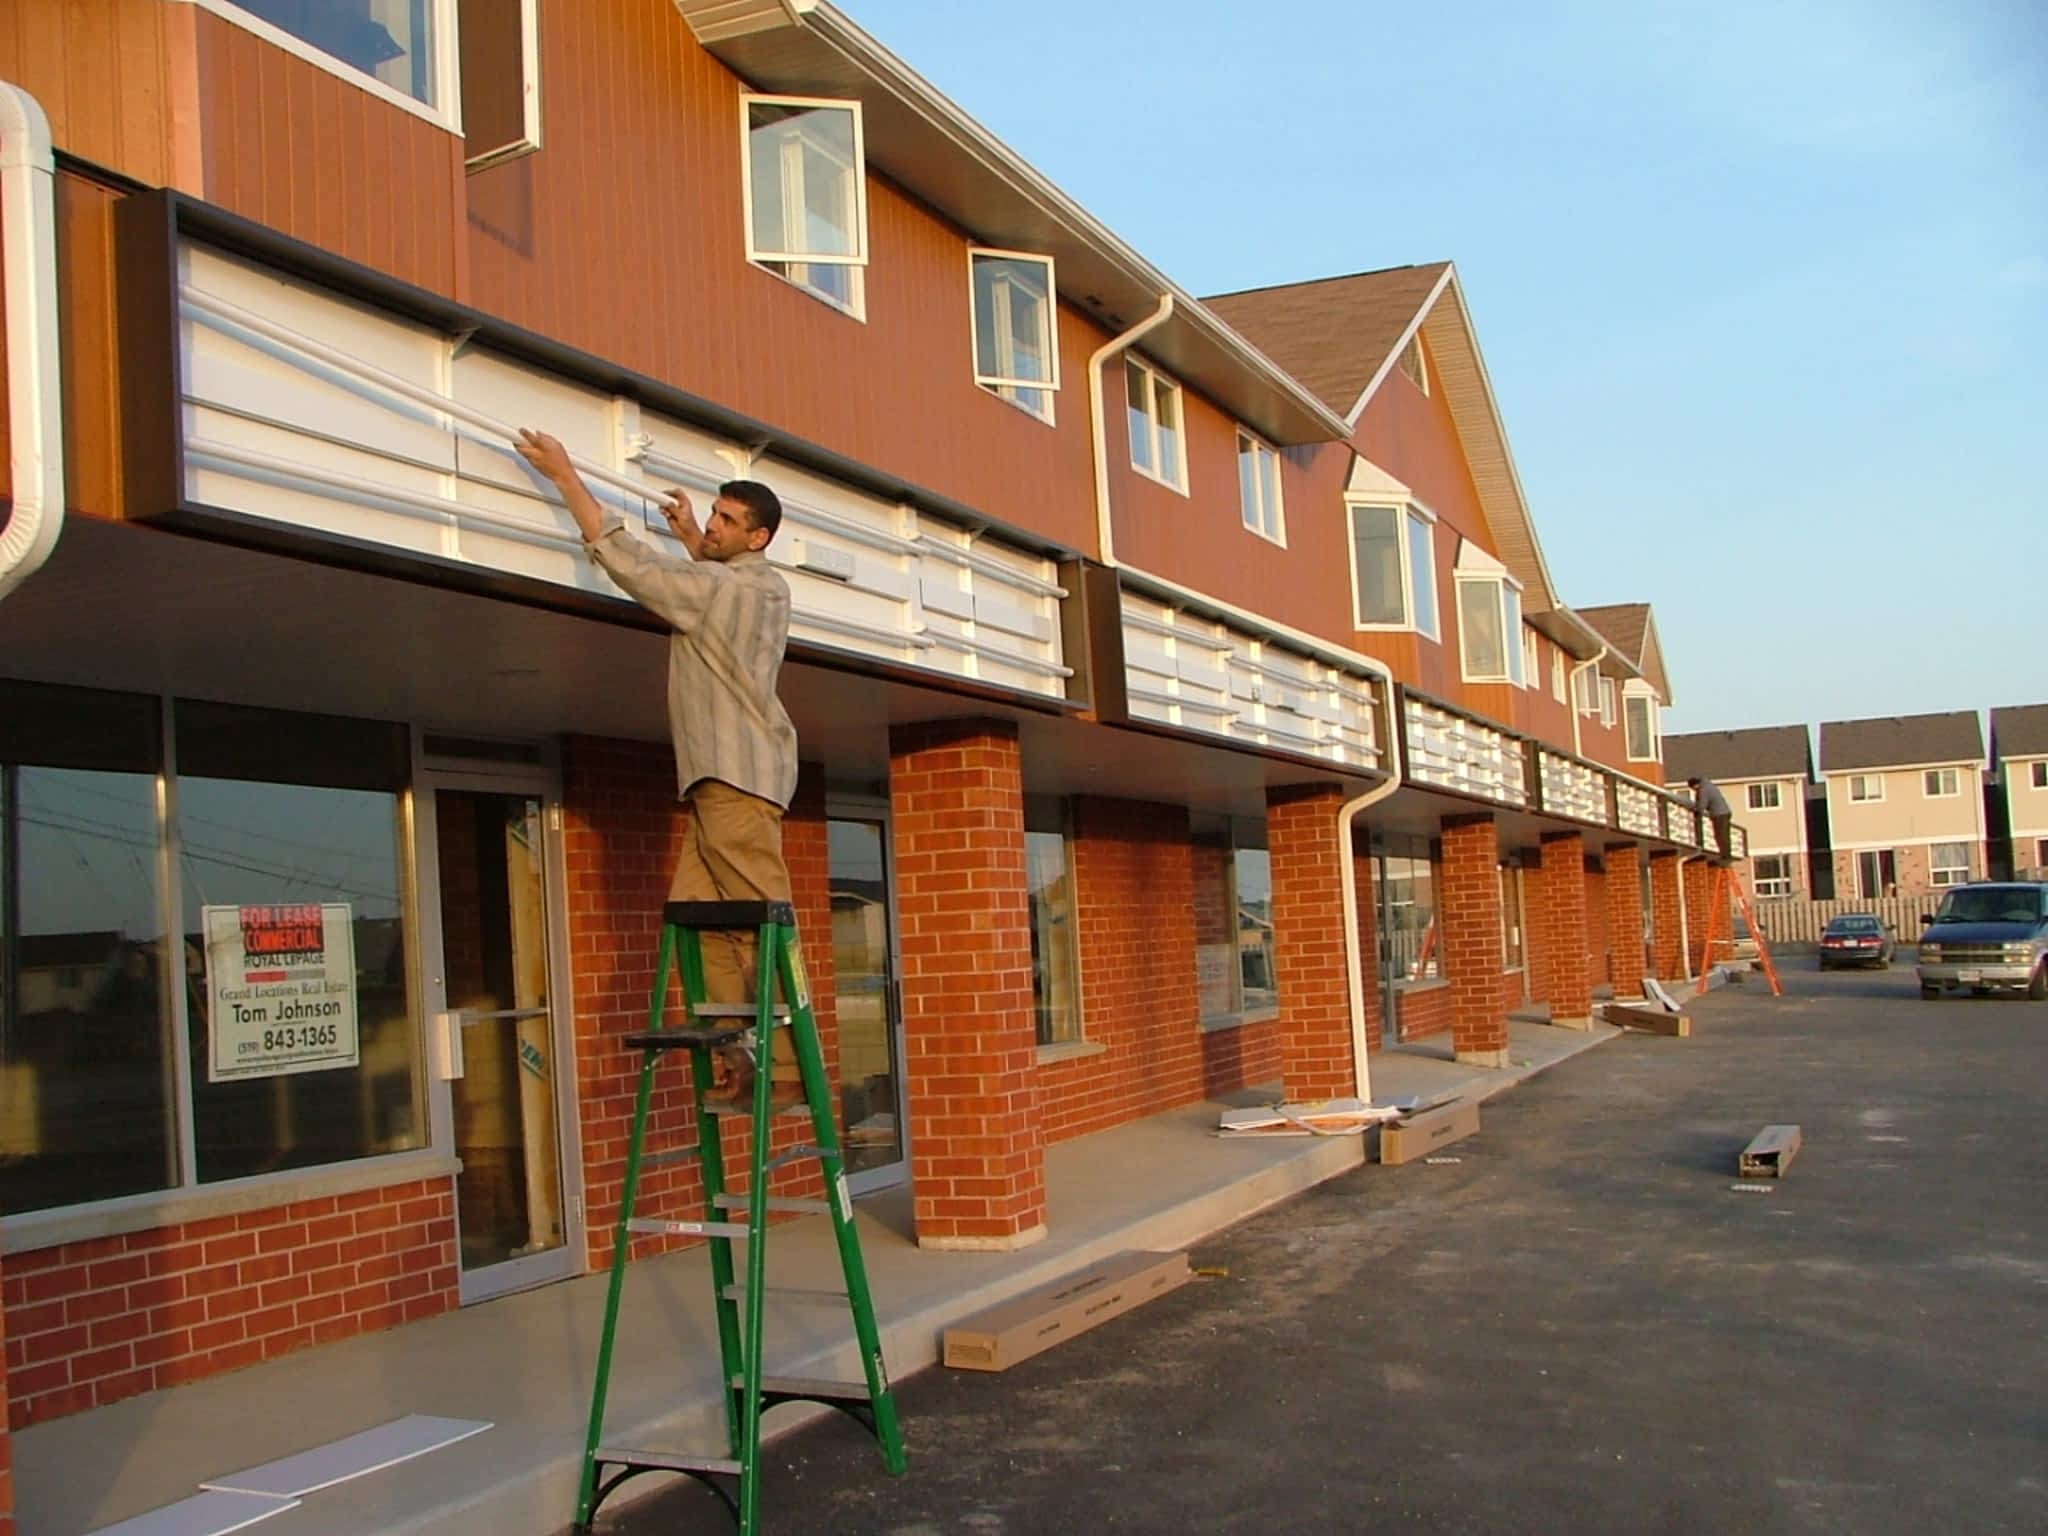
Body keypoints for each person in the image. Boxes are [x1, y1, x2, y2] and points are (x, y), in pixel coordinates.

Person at [513, 427, 799, 1104]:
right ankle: (741, 1062)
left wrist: (566, 478)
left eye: (729, 522)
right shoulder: (753, 586)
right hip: (719, 783)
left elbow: (633, 565)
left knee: (762, 927)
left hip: (737, 783)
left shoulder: (728, 592)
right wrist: (692, 535)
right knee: (703, 922)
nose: (714, 527)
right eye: (715, 515)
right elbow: (703, 573)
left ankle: (784, 1071)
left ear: (758, 538)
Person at [1686, 775, 1733, 865]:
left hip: (1719, 814)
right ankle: (1727, 856)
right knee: (1725, 836)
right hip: (1725, 812)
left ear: (1695, 785)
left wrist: (1696, 811)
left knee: (1720, 836)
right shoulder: (1709, 786)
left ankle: (1725, 857)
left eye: (1693, 789)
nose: (1694, 790)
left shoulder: (1703, 790)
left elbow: (1702, 805)